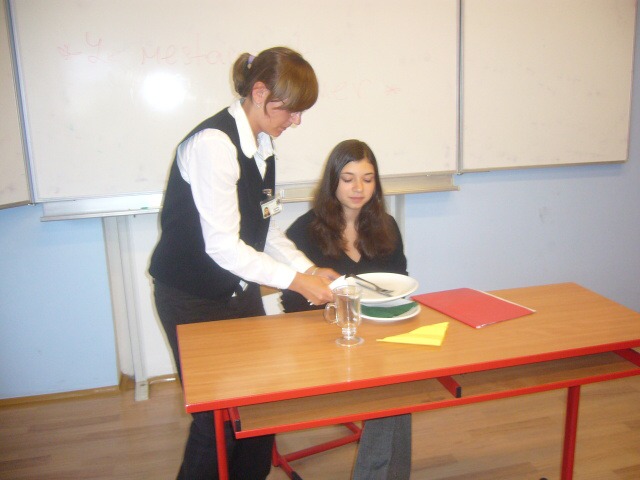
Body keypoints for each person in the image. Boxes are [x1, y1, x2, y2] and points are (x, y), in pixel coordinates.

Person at [149, 46, 339, 480]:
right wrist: (296, 281)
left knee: (261, 405)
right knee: (216, 420)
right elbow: (223, 248)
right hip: (191, 297)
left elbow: (265, 227)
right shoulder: (213, 145)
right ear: (259, 93)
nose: (297, 121)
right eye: (291, 109)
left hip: (236, 293)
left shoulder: (262, 144)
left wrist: (306, 269)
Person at [281, 139, 412, 479]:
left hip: (374, 335)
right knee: (391, 390)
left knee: (401, 384)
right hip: (324, 340)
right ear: (333, 181)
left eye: (368, 179)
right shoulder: (305, 231)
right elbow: (292, 301)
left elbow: (399, 283)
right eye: (348, 178)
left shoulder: (386, 226)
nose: (358, 188)